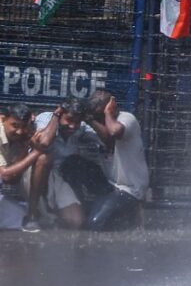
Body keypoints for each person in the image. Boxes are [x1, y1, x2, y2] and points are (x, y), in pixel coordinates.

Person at [26, 97, 99, 231]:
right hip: (34, 171)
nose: (72, 126)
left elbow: (104, 139)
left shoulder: (80, 127)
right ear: (60, 114)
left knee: (76, 221)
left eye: (77, 122)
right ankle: (32, 215)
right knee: (44, 158)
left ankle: (50, 217)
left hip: (57, 175)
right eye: (69, 120)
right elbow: (44, 143)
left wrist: (90, 120)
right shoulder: (46, 118)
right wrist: (55, 115)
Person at [83, 90, 149, 230]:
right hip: (109, 185)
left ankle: (132, 215)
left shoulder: (127, 119)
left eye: (100, 116)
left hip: (129, 188)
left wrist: (107, 113)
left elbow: (113, 133)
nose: (98, 122)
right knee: (72, 163)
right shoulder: (95, 125)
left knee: (95, 224)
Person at [0, 103, 38, 229]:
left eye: (23, 127)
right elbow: (4, 173)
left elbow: (11, 180)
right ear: (2, 118)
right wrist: (36, 152)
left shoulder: (17, 139)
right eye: (15, 125)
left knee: (21, 216)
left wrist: (25, 147)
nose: (19, 131)